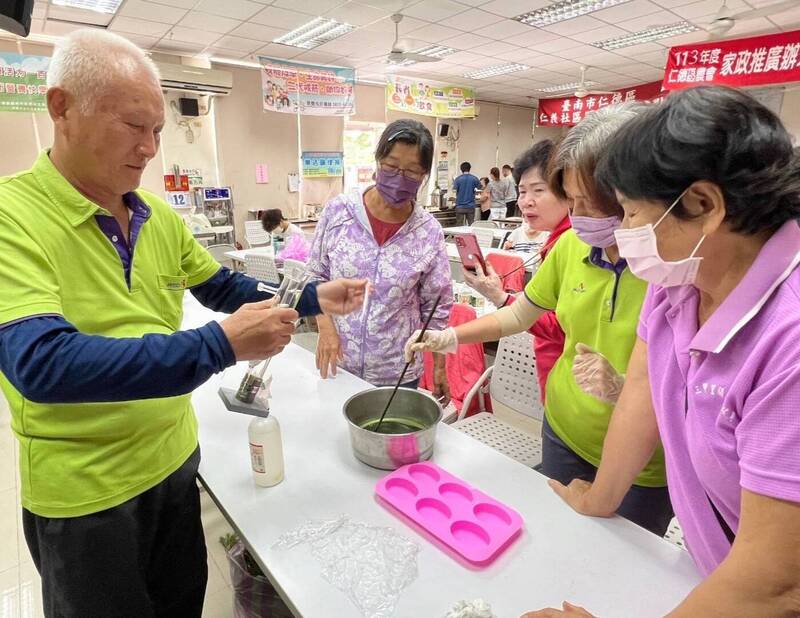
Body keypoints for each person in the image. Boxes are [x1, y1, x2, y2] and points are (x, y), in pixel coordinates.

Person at [0, 30, 367, 617]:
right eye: (131, 126)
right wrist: (219, 344)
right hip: (85, 495)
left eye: (157, 132)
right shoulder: (12, 216)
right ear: (60, 108)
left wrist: (308, 297)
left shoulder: (157, 217)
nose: (148, 149)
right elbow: (41, 363)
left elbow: (224, 287)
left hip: (173, 466)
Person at [527, 87, 800, 617]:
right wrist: (600, 498)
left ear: (702, 205)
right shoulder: (681, 279)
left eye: (628, 212)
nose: (622, 232)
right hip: (717, 569)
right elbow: (644, 387)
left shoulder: (788, 336)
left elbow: (775, 583)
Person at [408, 106, 673, 536]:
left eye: (592, 201)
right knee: (556, 536)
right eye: (573, 200)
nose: (579, 214)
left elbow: (701, 396)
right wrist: (447, 337)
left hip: (644, 463)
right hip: (565, 431)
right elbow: (517, 314)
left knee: (621, 568)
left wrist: (628, 391)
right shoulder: (570, 247)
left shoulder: (669, 270)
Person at [308, 119, 453, 399]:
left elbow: (437, 306)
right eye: (391, 167)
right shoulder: (340, 212)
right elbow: (315, 275)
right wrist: (325, 329)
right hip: (340, 360)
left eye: (412, 172)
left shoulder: (428, 232)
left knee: (391, 442)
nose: (399, 178)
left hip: (398, 372)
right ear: (377, 161)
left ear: (424, 176)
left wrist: (439, 367)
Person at [463, 140, 571, 402]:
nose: (526, 202)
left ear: (569, 190)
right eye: (522, 192)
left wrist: (500, 297)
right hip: (555, 381)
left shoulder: (570, 243)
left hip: (566, 384)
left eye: (538, 190)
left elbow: (559, 326)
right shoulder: (555, 240)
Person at [453, 161, 481, 226]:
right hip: (470, 206)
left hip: (460, 206)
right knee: (471, 225)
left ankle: (460, 236)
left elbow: (454, 190)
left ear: (461, 169)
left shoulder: (458, 179)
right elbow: (480, 187)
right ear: (469, 168)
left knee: (459, 226)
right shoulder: (474, 178)